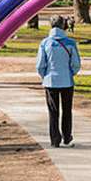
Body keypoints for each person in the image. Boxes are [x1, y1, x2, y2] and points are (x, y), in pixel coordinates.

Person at [36, 15, 82, 148]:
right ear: (64, 26)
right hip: (67, 81)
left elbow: (40, 65)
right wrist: (71, 73)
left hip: (50, 81)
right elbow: (76, 64)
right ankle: (67, 137)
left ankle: (55, 139)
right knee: (67, 110)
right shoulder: (71, 43)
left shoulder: (45, 43)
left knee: (53, 111)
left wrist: (45, 75)